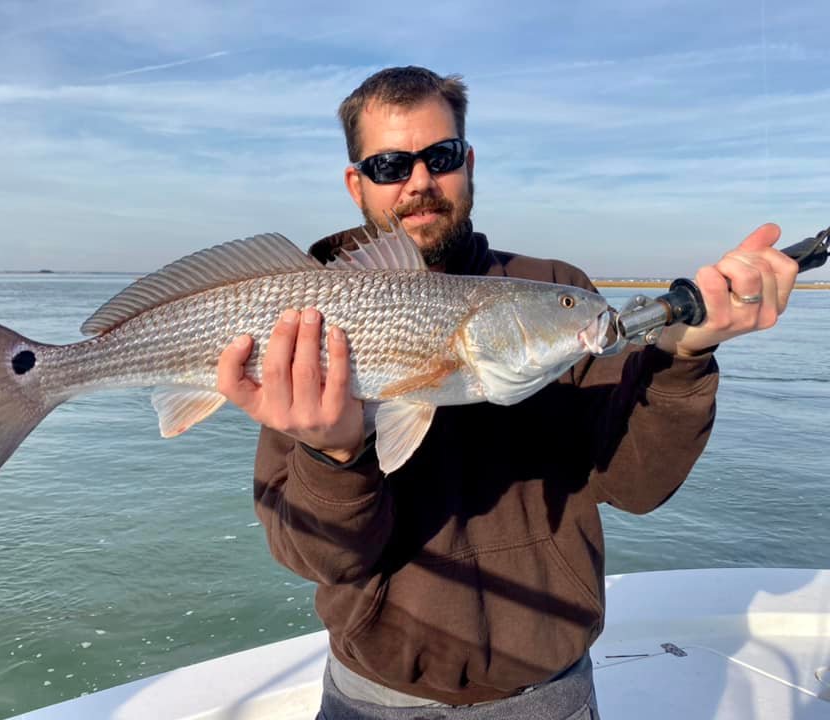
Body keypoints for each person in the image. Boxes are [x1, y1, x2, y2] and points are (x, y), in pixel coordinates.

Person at [215, 67, 799, 719]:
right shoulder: (313, 315)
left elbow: (636, 487)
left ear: (468, 162)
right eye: (389, 165)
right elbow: (317, 557)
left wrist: (684, 352)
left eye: (439, 157)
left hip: (548, 693)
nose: (419, 182)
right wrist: (333, 458)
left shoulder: (553, 285)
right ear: (357, 181)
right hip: (371, 695)